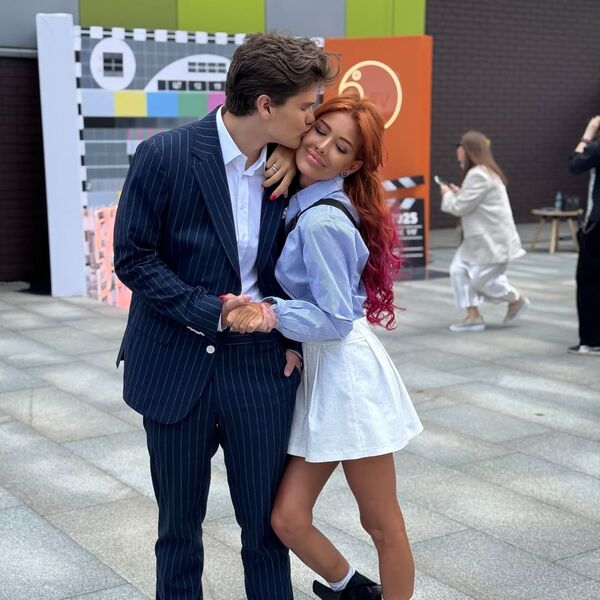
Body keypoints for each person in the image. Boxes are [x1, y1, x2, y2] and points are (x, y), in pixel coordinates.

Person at [113, 32, 336, 599]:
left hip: (260, 371)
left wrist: (291, 339)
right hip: (173, 363)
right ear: (265, 105)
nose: (313, 119)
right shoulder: (164, 155)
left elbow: (299, 270)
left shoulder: (293, 170)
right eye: (306, 106)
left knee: (265, 534)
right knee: (177, 532)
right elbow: (133, 257)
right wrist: (210, 311)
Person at [225, 95, 423, 600]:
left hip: (347, 374)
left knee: (380, 522)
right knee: (288, 518)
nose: (321, 147)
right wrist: (288, 155)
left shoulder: (322, 221)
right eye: (320, 131)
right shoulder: (303, 198)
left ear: (352, 165)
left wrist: (269, 313)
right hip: (319, 366)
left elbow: (335, 319)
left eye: (341, 147)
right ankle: (351, 590)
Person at [437, 131, 528, 332]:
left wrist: (447, 194)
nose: (457, 150)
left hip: (492, 241)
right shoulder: (484, 172)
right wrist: (460, 194)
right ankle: (473, 317)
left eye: (460, 146)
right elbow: (473, 202)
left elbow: (460, 208)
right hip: (479, 240)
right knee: (458, 270)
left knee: (479, 281)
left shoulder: (478, 174)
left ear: (468, 150)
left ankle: (515, 299)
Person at [567, 115, 600, 356]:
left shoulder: (597, 148)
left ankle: (591, 340)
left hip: (598, 225)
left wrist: (588, 133)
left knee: (589, 281)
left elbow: (575, 164)